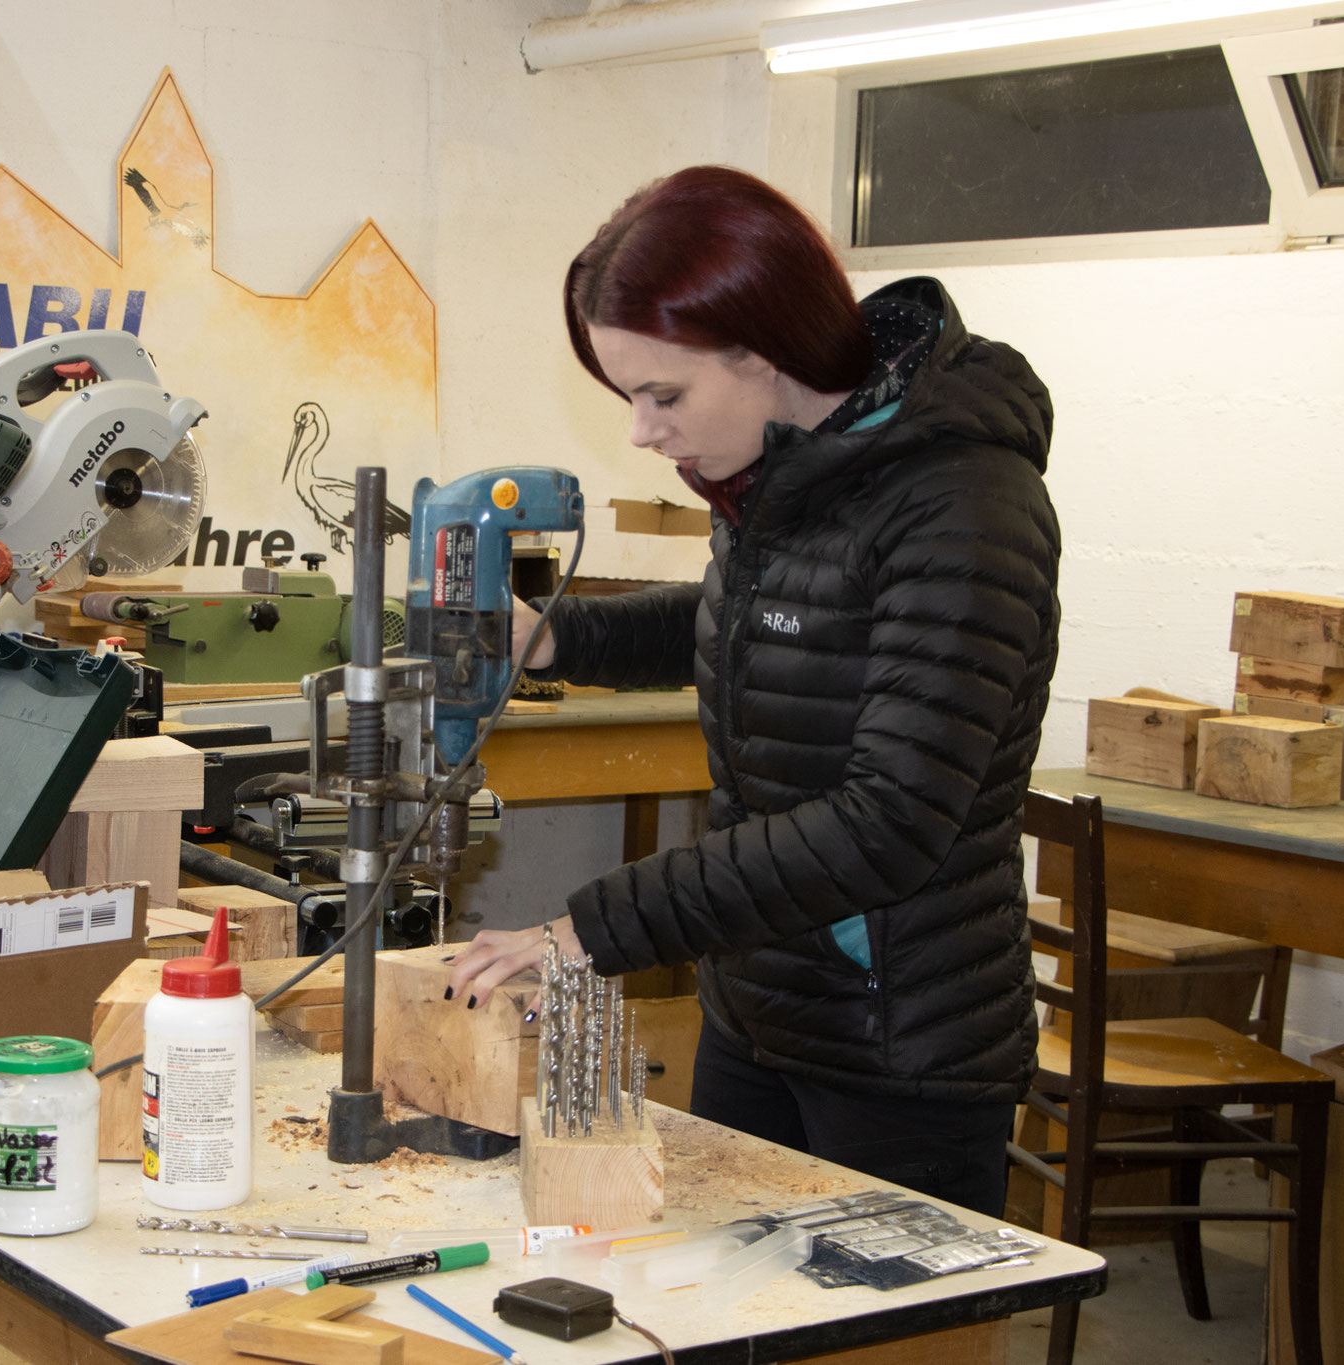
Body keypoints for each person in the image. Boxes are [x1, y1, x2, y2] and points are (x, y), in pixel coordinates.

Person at [445, 166, 1060, 1217]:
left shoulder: (963, 504)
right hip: (759, 1003)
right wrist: (551, 637)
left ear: (762, 348)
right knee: (719, 1305)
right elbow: (750, 617)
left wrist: (587, 931)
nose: (642, 431)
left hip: (894, 1041)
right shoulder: (781, 472)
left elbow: (887, 823)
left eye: (662, 395)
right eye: (628, 396)